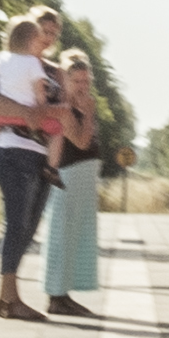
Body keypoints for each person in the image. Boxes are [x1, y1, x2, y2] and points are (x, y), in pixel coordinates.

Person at [0, 8, 65, 321]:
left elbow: (64, 110)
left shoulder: (54, 71)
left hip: (41, 155)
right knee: (16, 224)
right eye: (44, 30)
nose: (49, 37)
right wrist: (29, 113)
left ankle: (9, 297)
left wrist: (46, 115)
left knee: (27, 227)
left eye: (54, 32)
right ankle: (7, 298)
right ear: (29, 33)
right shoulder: (13, 61)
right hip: (14, 148)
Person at [41, 48, 109, 309]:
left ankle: (64, 294)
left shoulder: (81, 104)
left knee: (76, 237)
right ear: (65, 80)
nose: (82, 86)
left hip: (84, 175)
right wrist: (89, 113)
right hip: (68, 174)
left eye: (86, 81)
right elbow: (80, 142)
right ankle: (56, 296)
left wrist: (88, 111)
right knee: (62, 234)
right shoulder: (64, 107)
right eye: (76, 81)